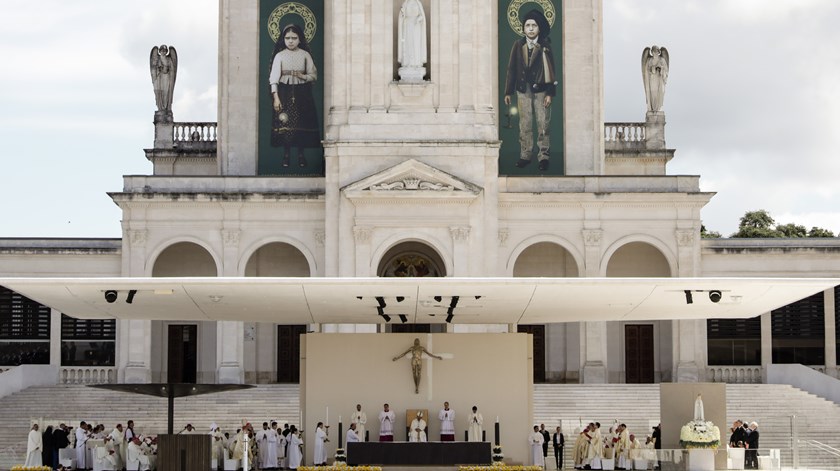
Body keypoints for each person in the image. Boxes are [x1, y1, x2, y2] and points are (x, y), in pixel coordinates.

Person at [503, 9, 557, 172]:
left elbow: (551, 70)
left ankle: (544, 156)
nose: (531, 28)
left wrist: (550, 93)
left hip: (541, 89)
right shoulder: (518, 45)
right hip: (522, 89)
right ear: (523, 28)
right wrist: (508, 91)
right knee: (524, 123)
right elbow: (511, 69)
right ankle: (525, 155)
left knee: (542, 123)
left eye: (534, 25)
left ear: (539, 28)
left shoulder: (545, 45)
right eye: (528, 25)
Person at [268, 23, 320, 169]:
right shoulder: (280, 56)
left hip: (302, 93)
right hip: (284, 92)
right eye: (287, 38)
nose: (290, 41)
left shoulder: (305, 55)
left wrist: (303, 76)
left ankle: (301, 155)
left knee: (301, 123)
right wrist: (276, 97)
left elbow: (313, 75)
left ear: (299, 39)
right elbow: (273, 78)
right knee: (286, 123)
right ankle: (286, 154)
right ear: (283, 39)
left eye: (294, 38)